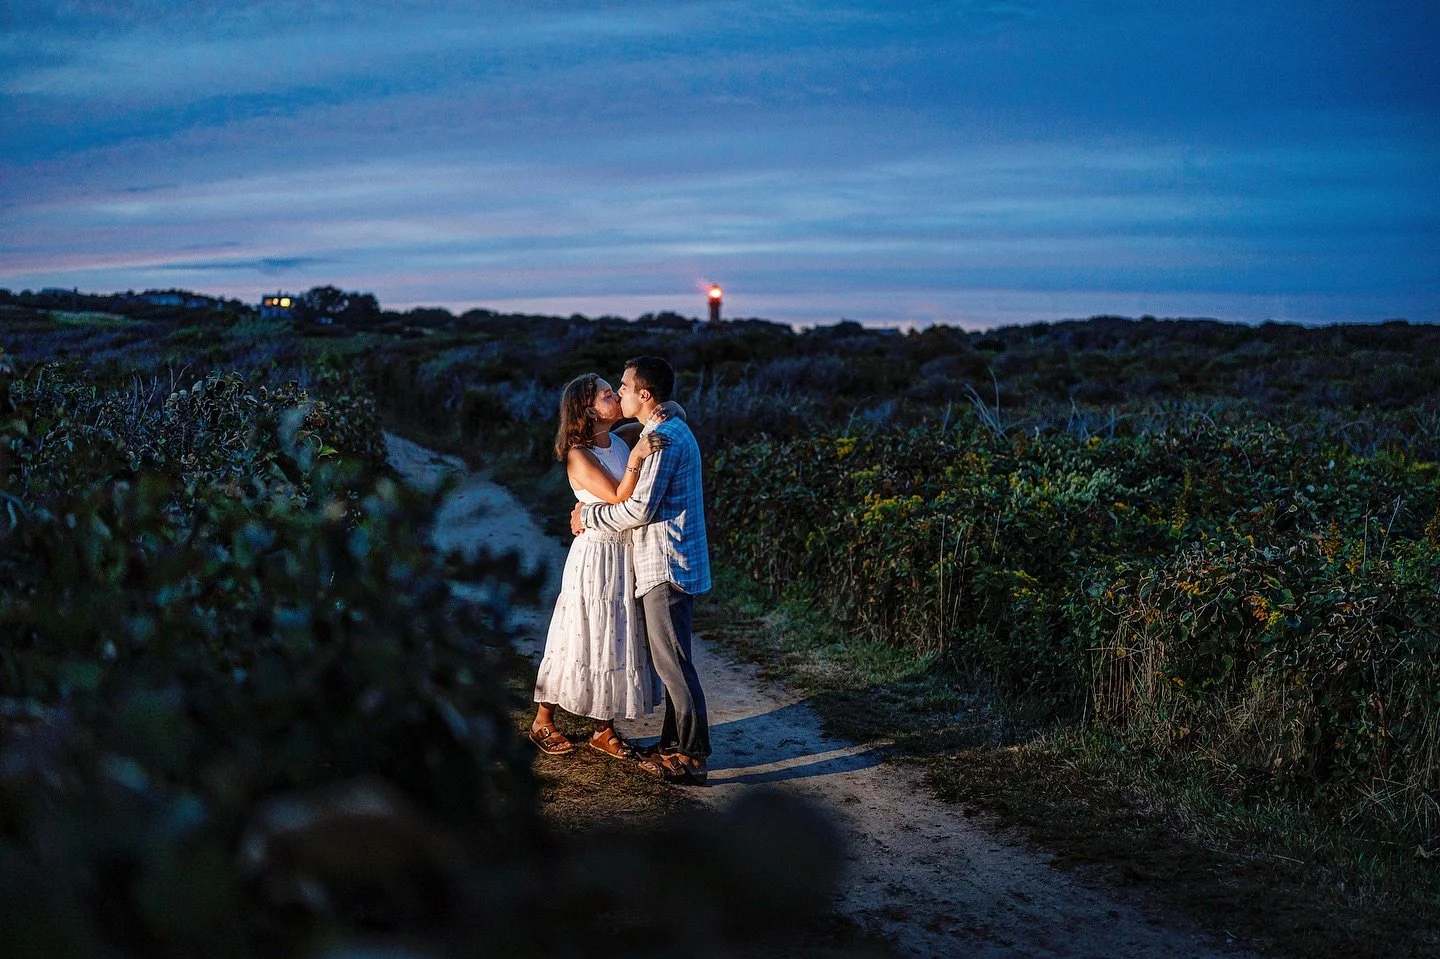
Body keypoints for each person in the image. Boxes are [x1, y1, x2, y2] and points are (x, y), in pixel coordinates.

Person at [571, 356, 711, 784]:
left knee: (674, 666)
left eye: (626, 386)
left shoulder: (663, 437)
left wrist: (586, 518)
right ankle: (672, 744)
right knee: (674, 660)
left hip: (665, 563)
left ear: (645, 395)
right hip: (669, 561)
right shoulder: (662, 428)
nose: (621, 391)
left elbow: (639, 509)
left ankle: (692, 756)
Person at [529, 373, 672, 759]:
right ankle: (543, 720)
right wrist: (640, 455)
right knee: (578, 634)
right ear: (589, 409)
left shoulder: (618, 440)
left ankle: (603, 729)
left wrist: (656, 418)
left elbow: (641, 423)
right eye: (609, 395)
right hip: (595, 557)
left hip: (621, 553)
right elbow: (616, 495)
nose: (615, 397)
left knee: (614, 636)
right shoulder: (579, 454)